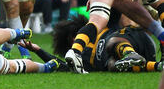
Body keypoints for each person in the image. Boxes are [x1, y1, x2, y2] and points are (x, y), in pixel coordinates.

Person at [19, 15, 163, 73]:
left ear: (73, 36)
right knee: (112, 65)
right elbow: (62, 66)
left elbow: (112, 4)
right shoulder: (81, 60)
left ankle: (129, 54)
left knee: (112, 42)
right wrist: (38, 50)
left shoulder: (99, 27)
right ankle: (156, 66)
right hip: (141, 57)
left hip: (136, 40)